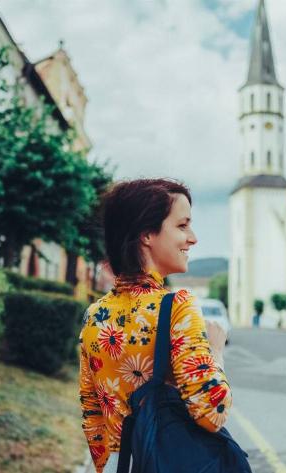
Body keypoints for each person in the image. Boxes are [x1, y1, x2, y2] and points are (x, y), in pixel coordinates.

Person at [78, 179, 230, 473]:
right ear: (147, 234)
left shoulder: (94, 314)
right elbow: (212, 412)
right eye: (182, 225)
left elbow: (92, 416)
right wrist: (215, 352)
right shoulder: (177, 307)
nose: (193, 238)